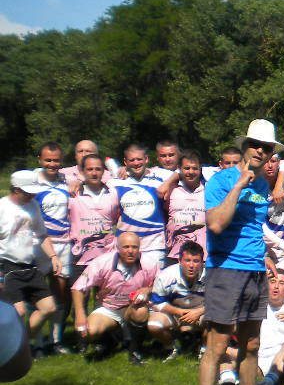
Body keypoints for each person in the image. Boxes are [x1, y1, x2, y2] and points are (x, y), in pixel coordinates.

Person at [195, 119, 283, 385]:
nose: (261, 151)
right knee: (217, 347)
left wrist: (265, 256)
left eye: (267, 147)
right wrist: (239, 185)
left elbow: (252, 229)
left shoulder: (263, 187)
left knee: (252, 344)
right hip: (225, 270)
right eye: (256, 144)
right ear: (245, 146)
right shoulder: (222, 181)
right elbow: (216, 224)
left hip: (254, 271)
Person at [70, 232, 158, 364]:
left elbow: (162, 286)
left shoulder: (150, 263)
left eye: (134, 247)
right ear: (118, 248)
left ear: (139, 248)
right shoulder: (101, 262)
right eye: (126, 247)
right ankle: (110, 341)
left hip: (134, 307)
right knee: (89, 331)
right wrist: (80, 315)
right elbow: (78, 288)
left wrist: (148, 289)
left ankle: (135, 350)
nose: (130, 251)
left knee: (140, 311)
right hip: (110, 309)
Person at [1, 170, 62, 341]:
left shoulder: (33, 205)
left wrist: (53, 257)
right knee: (18, 312)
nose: (33, 195)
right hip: (7, 266)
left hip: (30, 265)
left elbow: (41, 235)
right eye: (29, 192)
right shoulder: (2, 207)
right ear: (16, 189)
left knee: (49, 308)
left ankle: (22, 345)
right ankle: (14, 348)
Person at [33, 142, 73, 353]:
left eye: (56, 160)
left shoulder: (66, 181)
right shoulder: (32, 182)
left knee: (60, 293)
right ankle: (38, 343)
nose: (52, 164)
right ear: (39, 160)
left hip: (64, 244)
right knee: (38, 295)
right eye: (48, 160)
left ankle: (56, 341)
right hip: (39, 244)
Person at [148, 240, 207, 360]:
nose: (191, 265)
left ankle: (205, 350)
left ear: (202, 263)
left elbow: (219, 302)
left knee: (216, 319)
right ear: (179, 261)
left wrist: (198, 312)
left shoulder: (211, 276)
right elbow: (156, 303)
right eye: (187, 260)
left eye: (196, 261)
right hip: (175, 314)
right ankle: (171, 347)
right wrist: (179, 312)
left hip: (201, 314)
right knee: (154, 325)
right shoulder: (166, 276)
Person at [109, 144, 167, 265]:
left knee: (155, 278)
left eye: (139, 159)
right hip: (126, 245)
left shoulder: (161, 178)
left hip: (154, 245)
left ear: (146, 159)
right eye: (132, 160)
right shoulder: (114, 183)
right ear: (125, 162)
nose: (136, 163)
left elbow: (181, 172)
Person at [67, 154, 119, 287]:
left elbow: (115, 220)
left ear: (103, 171)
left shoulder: (113, 193)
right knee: (79, 295)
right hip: (80, 256)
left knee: (105, 296)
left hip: (107, 256)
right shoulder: (72, 194)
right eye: (90, 169)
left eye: (98, 169)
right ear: (82, 171)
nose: (94, 173)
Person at [162, 150, 206, 264]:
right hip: (174, 253)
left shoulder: (208, 191)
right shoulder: (171, 190)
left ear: (200, 169)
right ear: (179, 169)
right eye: (187, 168)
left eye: (195, 168)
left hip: (201, 255)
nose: (191, 172)